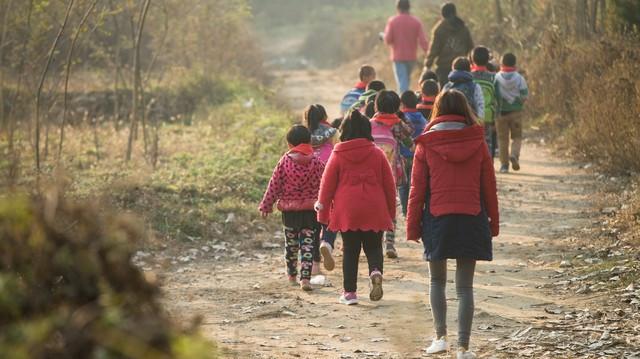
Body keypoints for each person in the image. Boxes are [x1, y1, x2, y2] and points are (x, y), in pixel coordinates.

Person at [406, 90, 499, 359]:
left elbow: (417, 190)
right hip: (472, 216)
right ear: (464, 109)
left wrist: (412, 227)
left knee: (437, 280)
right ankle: (464, 347)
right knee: (465, 287)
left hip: (437, 218)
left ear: (437, 109)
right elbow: (489, 188)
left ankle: (440, 338)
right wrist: (493, 223)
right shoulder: (478, 140)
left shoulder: (426, 143)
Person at [316, 110, 396, 305]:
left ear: (345, 131)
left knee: (350, 251)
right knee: (374, 247)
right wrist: (391, 214)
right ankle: (375, 272)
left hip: (348, 212)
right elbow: (389, 186)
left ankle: (350, 293)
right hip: (374, 209)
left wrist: (323, 216)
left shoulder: (338, 154)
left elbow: (326, 187)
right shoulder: (377, 153)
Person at [259, 125, 326, 292]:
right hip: (311, 211)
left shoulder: (284, 161)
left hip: (289, 213)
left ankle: (291, 275)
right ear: (309, 142)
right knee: (308, 245)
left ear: (289, 144)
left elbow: (274, 184)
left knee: (291, 244)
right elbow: (324, 186)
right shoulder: (317, 162)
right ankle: (305, 279)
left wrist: (266, 205)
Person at [370, 90, 415, 258]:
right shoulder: (397, 124)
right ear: (396, 107)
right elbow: (409, 131)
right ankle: (389, 243)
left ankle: (375, 239)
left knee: (374, 205)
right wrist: (401, 115)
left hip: (372, 171)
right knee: (391, 206)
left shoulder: (370, 123)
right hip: (391, 172)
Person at [303, 104, 338, 272]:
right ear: (325, 116)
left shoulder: (301, 135)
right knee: (329, 218)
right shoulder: (333, 133)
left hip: (308, 186)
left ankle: (315, 264)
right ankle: (327, 243)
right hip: (330, 182)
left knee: (313, 225)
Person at [424, 2, 474, 88]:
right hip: (462, 67)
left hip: (444, 69)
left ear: (442, 14)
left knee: (445, 95)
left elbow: (434, 50)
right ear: (455, 12)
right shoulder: (463, 27)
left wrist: (427, 65)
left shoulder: (439, 29)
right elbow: (471, 47)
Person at [383, 0, 428, 93]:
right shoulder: (416, 21)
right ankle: (405, 101)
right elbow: (423, 40)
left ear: (398, 8)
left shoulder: (393, 21)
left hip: (398, 57)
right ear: (409, 7)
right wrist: (428, 53)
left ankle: (402, 103)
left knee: (402, 82)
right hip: (411, 57)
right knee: (405, 80)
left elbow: (387, 39)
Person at [494, 52, 529, 173]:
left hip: (501, 113)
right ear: (515, 64)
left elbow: (494, 95)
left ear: (501, 64)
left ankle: (504, 165)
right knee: (517, 137)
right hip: (516, 112)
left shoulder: (496, 77)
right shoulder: (519, 78)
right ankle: (514, 154)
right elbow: (525, 95)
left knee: (502, 139)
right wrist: (521, 102)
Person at [398, 91, 428, 218]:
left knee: (403, 185)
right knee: (414, 185)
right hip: (417, 156)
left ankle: (406, 211)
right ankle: (414, 210)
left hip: (403, 156)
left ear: (402, 104)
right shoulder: (422, 118)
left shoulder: (401, 118)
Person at [470, 46, 500, 159]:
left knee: (473, 141)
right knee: (488, 141)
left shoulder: (469, 76)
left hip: (472, 115)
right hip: (488, 114)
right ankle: (489, 166)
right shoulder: (493, 77)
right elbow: (498, 97)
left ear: (472, 60)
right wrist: (497, 111)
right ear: (488, 60)